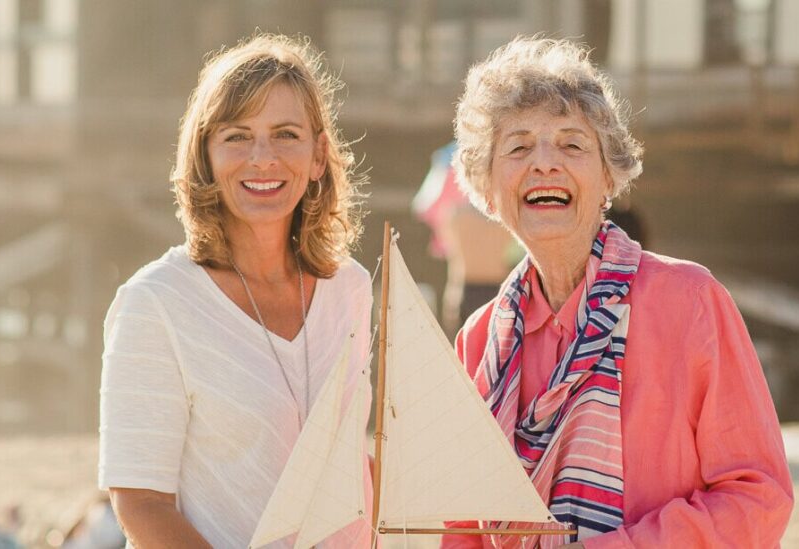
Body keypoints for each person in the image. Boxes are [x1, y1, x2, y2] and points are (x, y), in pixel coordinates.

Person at [443, 37, 793, 548]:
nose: (544, 163)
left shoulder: (690, 302)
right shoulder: (478, 342)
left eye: (572, 144)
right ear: (488, 189)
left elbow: (758, 499)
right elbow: (461, 528)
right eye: (518, 146)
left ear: (609, 176)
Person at [98, 34, 372, 548]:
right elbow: (140, 504)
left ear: (318, 156)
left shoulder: (351, 289)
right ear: (205, 156)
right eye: (237, 136)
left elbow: (351, 461)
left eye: (286, 134)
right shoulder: (156, 303)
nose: (262, 158)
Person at [412, 142, 518, 333]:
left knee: (463, 358)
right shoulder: (506, 219)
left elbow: (446, 249)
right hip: (500, 289)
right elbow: (516, 254)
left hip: (461, 290)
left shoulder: (452, 216)